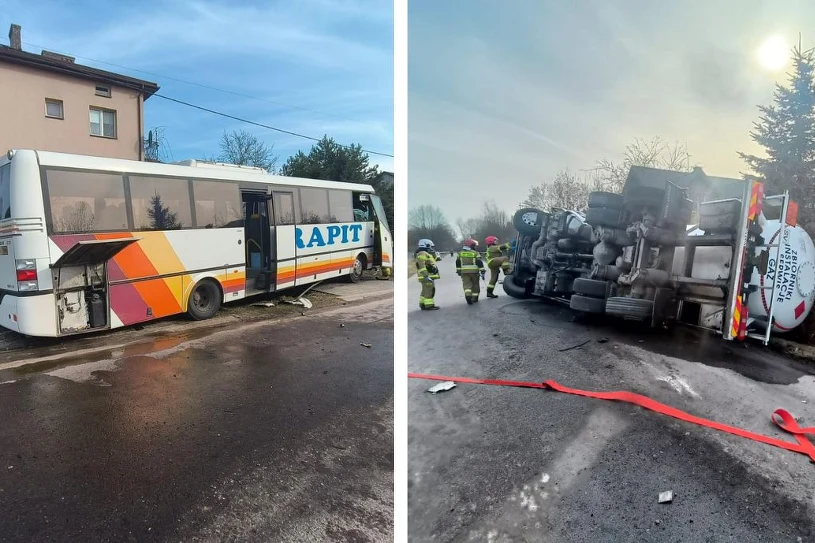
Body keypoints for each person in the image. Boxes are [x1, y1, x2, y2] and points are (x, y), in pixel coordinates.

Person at [455, 239, 485, 305]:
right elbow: (479, 262)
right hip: (474, 272)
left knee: (466, 285)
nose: (475, 247)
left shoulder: (460, 253)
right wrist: (482, 270)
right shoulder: (475, 253)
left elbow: (457, 263)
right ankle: (475, 298)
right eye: (474, 246)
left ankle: (468, 296)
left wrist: (459, 271)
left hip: (464, 272)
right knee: (475, 284)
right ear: (471, 246)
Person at [415, 241, 440, 310]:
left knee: (425, 290)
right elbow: (421, 265)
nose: (431, 248)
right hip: (426, 276)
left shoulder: (424, 253)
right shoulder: (422, 253)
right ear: (426, 245)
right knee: (430, 290)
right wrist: (426, 275)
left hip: (425, 276)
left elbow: (429, 262)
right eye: (430, 246)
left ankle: (422, 304)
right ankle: (429, 305)